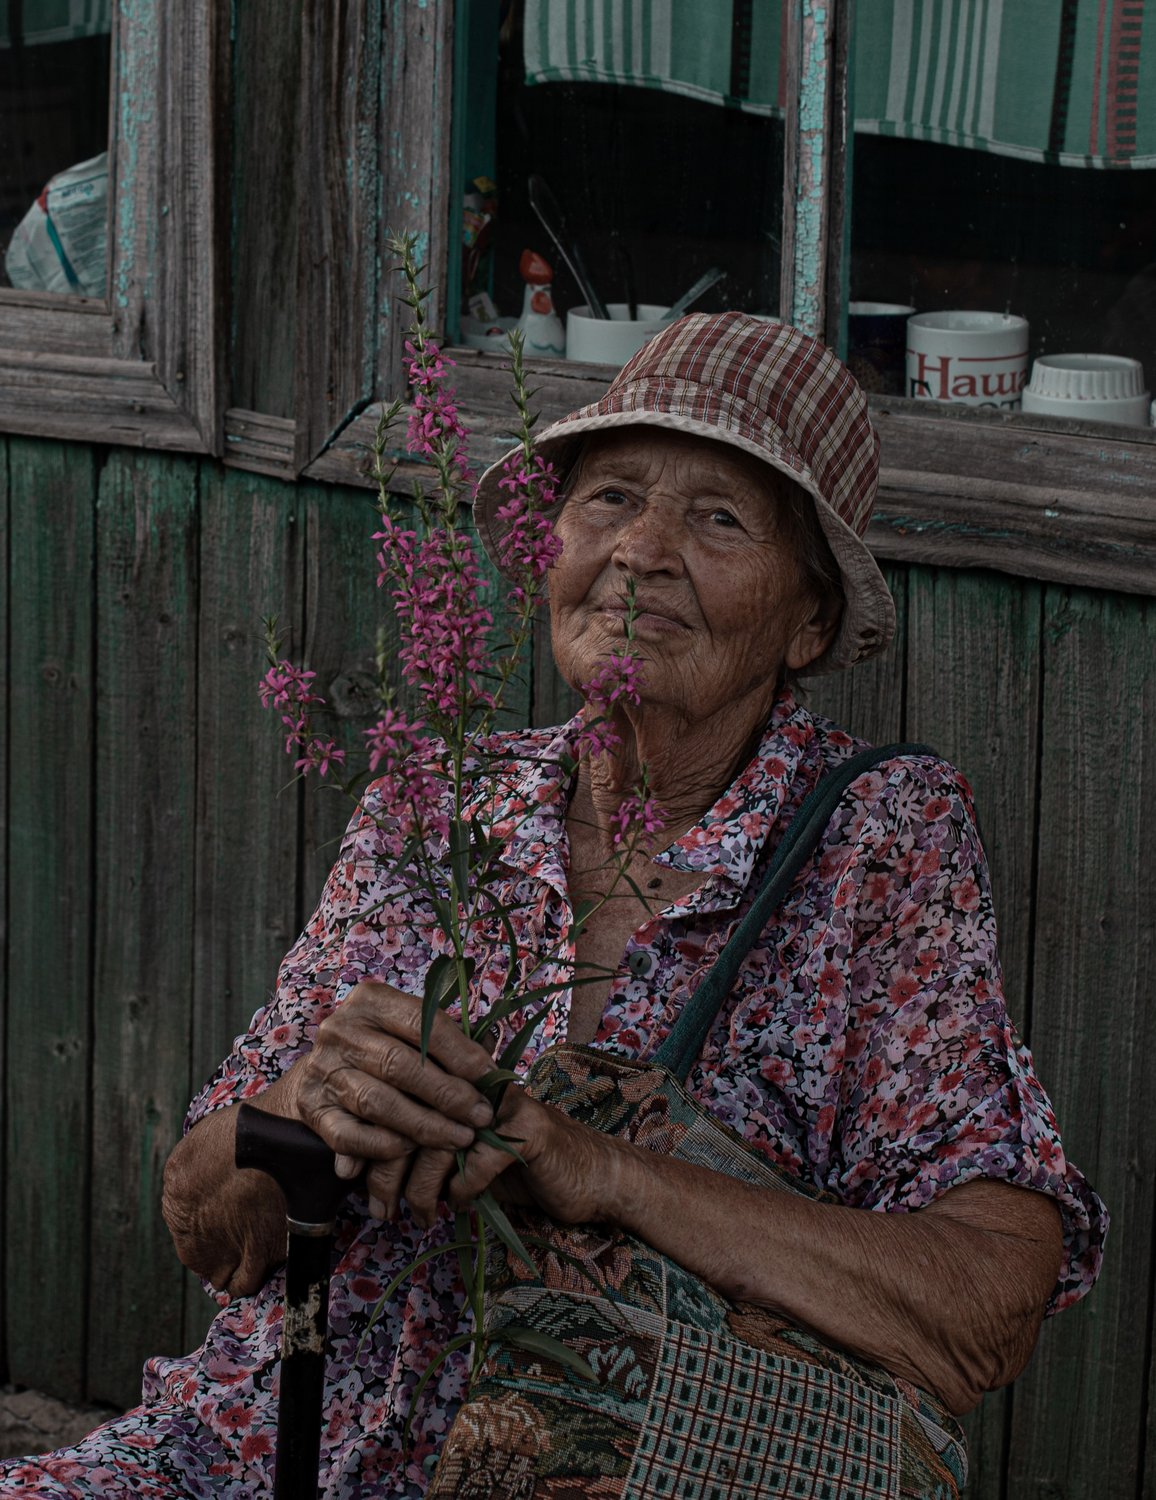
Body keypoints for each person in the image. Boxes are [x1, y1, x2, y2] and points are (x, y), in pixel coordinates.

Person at [1, 313, 1106, 1497]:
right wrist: (307, 1107)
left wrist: (607, 1172)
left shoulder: (872, 841)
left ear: (811, 618)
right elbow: (208, 1226)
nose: (641, 550)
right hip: (271, 1452)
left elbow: (986, 1305)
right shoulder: (439, 805)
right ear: (548, 549)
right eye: (610, 499)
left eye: (720, 517)